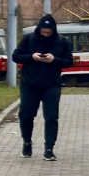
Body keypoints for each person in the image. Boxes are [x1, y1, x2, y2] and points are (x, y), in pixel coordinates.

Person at [11, 14, 73, 160]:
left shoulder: (61, 42)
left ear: (53, 31)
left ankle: (49, 148)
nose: (45, 35)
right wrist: (32, 57)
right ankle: (27, 142)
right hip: (29, 84)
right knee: (26, 115)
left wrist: (53, 59)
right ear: (39, 29)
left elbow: (69, 61)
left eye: (48, 32)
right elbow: (16, 56)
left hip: (51, 84)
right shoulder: (28, 39)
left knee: (51, 116)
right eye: (43, 32)